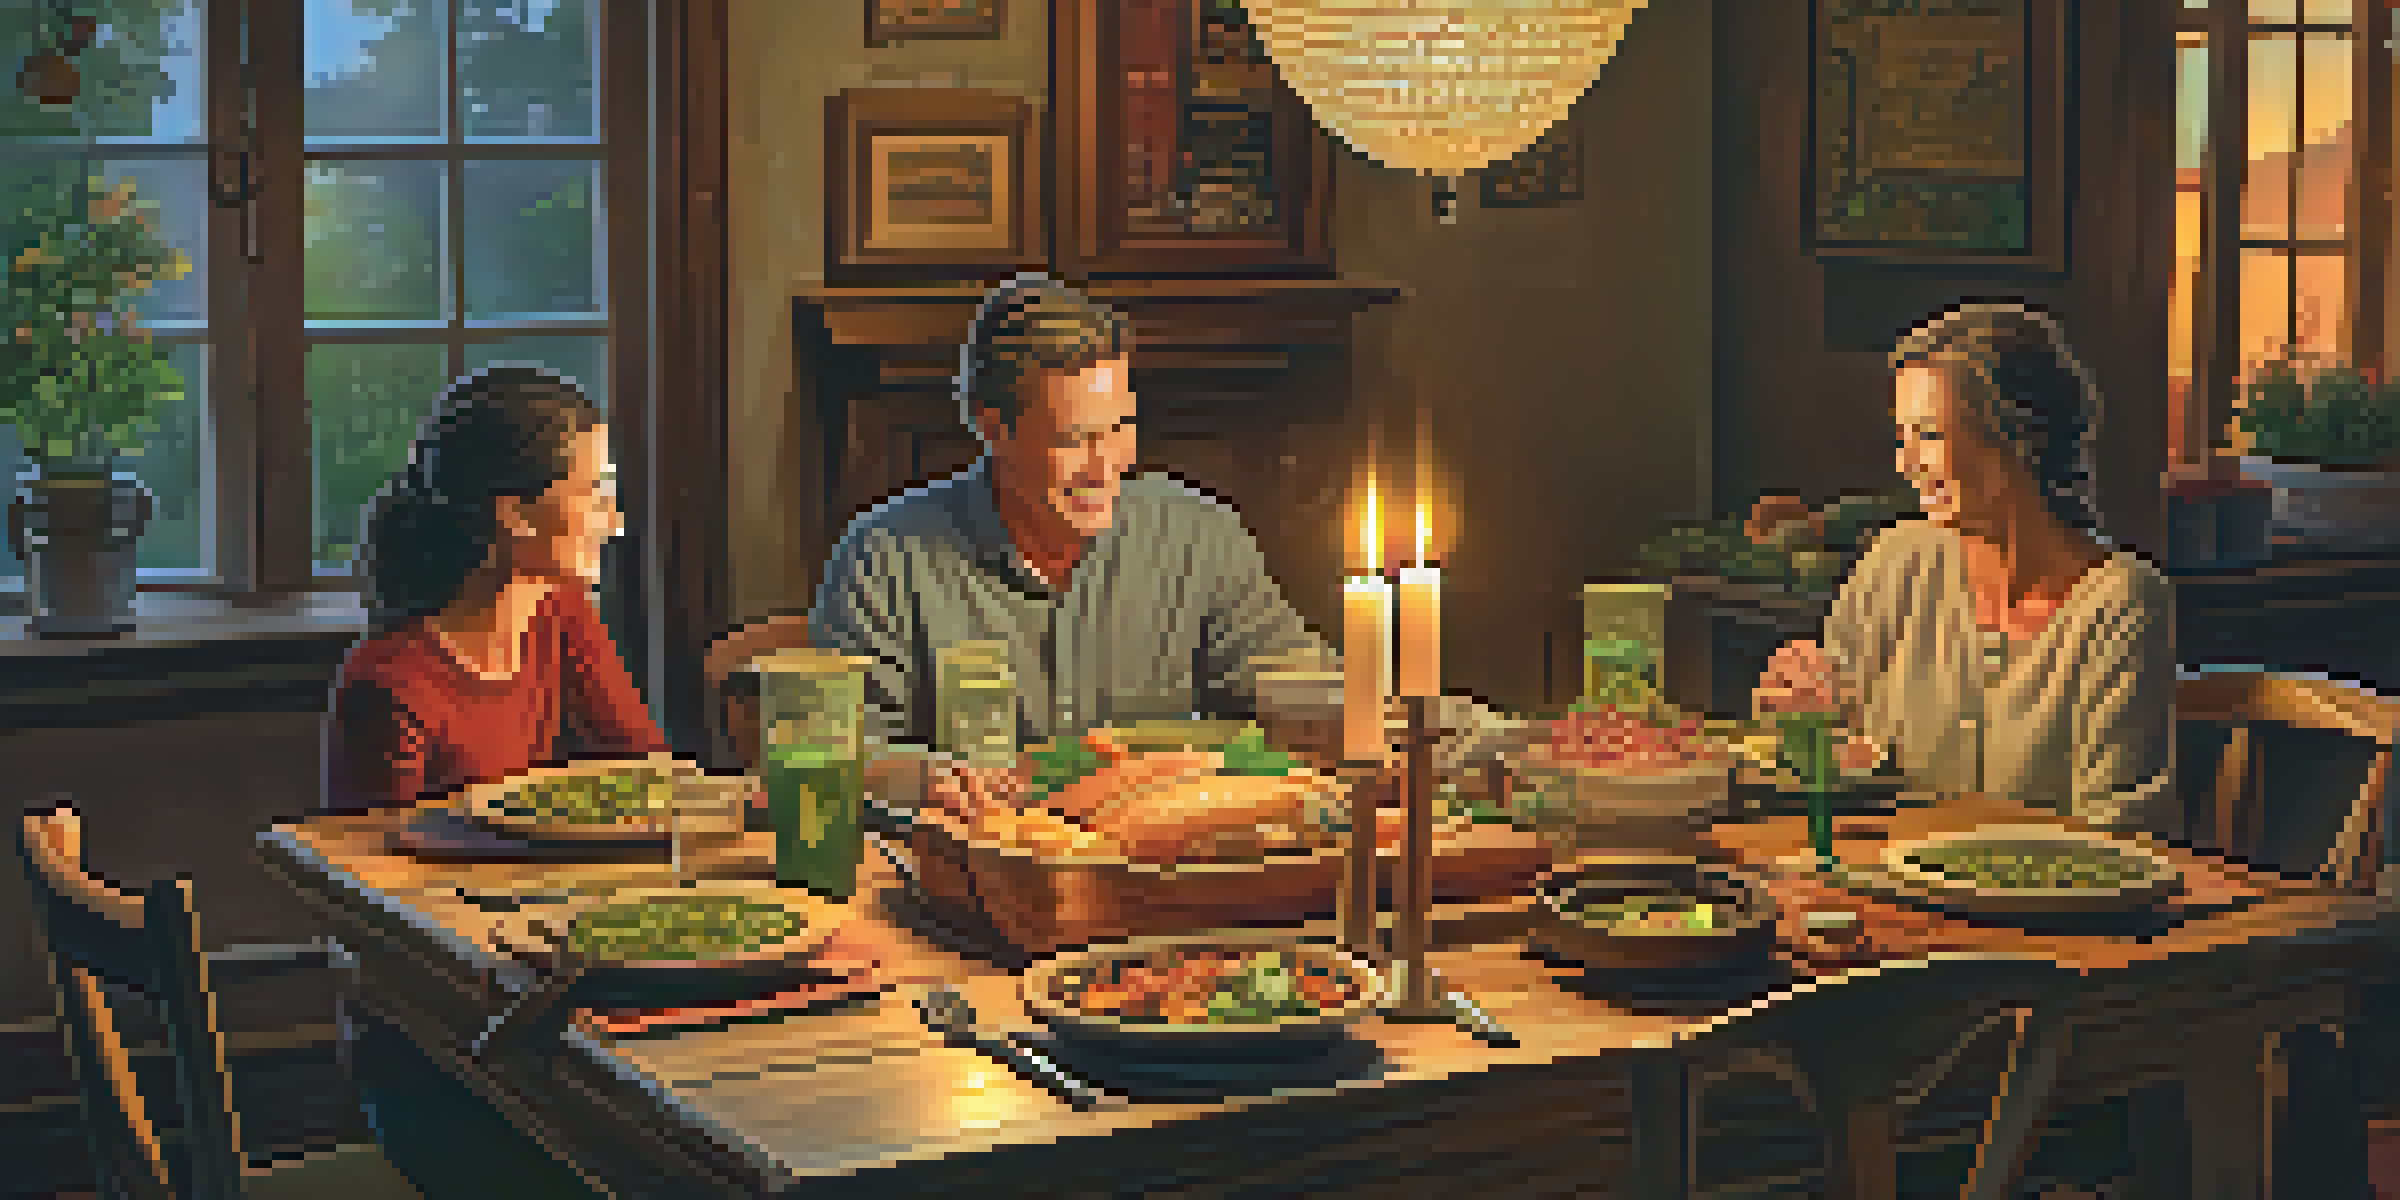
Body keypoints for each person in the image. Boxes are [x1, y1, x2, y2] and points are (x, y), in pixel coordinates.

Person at [806, 273, 1336, 750]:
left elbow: (1293, 681)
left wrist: (1365, 705)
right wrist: (926, 780)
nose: (1105, 466)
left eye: (1120, 428)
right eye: (1073, 440)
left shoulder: (1200, 537)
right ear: (994, 430)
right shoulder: (883, 558)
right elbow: (845, 756)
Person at [1754, 302, 2176, 836]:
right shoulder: (1894, 563)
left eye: (1929, 435)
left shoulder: (2121, 603)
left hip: (2049, 908)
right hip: (1889, 891)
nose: (1907, 464)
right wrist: (1795, 714)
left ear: (2017, 440)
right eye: (1902, 436)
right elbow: (1826, 770)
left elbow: (2119, 833)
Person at [323, 364, 666, 814]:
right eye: (592, 495)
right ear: (514, 516)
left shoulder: (561, 612)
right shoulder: (392, 684)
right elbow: (365, 865)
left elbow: (651, 773)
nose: (616, 523)